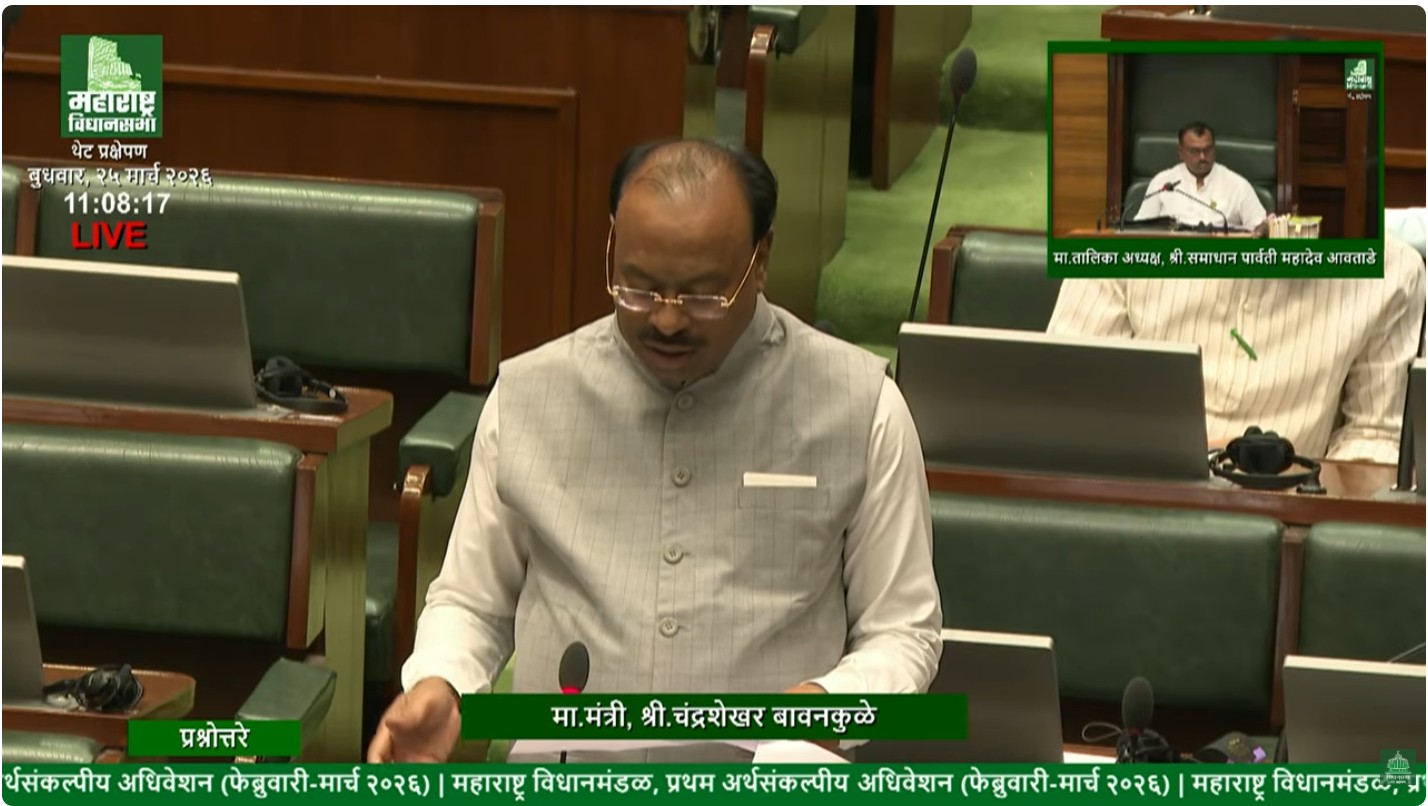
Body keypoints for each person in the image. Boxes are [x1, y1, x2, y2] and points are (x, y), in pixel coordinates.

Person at [368, 138, 943, 764]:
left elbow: (903, 632)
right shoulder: (530, 395)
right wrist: (442, 681)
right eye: (638, 288)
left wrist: (830, 705)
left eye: (701, 295)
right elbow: (471, 602)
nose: (667, 320)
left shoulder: (862, 407)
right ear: (612, 247)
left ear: (760, 260)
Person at [1047, 233, 1426, 463]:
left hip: (1292, 521)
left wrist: (1310, 501)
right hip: (1133, 505)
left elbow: (1375, 438)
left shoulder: (1393, 271)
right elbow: (1062, 407)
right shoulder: (1116, 240)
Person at [1134, 122, 1269, 235]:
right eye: (1194, 151)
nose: (1202, 157)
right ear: (1181, 153)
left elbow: (1261, 225)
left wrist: (1262, 229)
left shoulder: (1237, 185)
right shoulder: (1163, 183)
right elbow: (1139, 229)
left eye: (1207, 150)